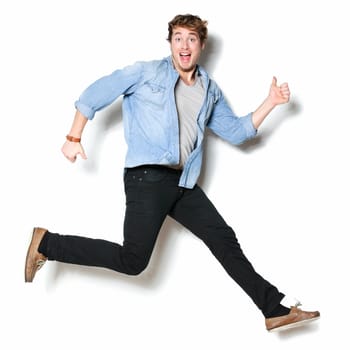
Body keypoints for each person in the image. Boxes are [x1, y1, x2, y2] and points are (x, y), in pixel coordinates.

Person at [25, 14, 320, 332]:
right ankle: (48, 244)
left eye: (191, 39)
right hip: (147, 178)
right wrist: (73, 138)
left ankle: (273, 308)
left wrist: (271, 101)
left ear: (201, 46)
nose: (184, 45)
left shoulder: (209, 89)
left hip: (183, 182)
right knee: (133, 261)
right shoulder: (146, 72)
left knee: (223, 238)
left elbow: (236, 131)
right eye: (178, 37)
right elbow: (93, 95)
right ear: (170, 43)